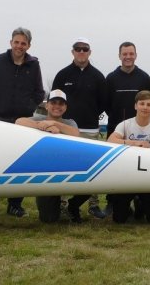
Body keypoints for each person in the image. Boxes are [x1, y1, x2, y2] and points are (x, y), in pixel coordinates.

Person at [0, 27, 45, 221]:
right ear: (11, 43)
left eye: (23, 43)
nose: (19, 46)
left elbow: (39, 92)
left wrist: (28, 106)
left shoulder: (33, 65)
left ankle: (15, 205)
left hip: (23, 122)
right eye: (16, 42)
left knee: (20, 164)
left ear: (28, 45)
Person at [52, 37, 107, 219]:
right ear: (72, 51)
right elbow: (55, 102)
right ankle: (62, 204)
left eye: (85, 49)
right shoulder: (62, 75)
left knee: (93, 167)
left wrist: (90, 116)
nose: (81, 52)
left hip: (90, 130)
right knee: (64, 166)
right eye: (78, 49)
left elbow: (103, 103)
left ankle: (93, 204)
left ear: (90, 52)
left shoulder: (98, 76)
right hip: (65, 128)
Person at [15, 89, 83, 223]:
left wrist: (55, 124)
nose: (57, 106)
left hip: (68, 169)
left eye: (61, 104)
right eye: (53, 102)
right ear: (46, 105)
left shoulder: (70, 122)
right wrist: (43, 127)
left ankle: (72, 206)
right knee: (49, 219)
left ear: (65, 107)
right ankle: (58, 205)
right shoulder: (38, 118)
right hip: (47, 172)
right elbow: (18, 121)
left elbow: (76, 134)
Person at [106, 90, 150, 223]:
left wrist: (149, 149)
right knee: (119, 219)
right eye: (142, 104)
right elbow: (110, 141)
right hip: (127, 176)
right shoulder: (125, 124)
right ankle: (128, 205)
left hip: (148, 176)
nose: (145, 107)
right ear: (135, 106)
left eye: (149, 105)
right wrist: (134, 143)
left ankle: (140, 202)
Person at [105, 41, 150, 141]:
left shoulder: (144, 78)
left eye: (131, 54)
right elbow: (106, 104)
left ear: (136, 55)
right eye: (125, 54)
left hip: (140, 130)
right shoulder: (111, 78)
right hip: (115, 128)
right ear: (119, 56)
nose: (128, 57)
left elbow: (149, 103)